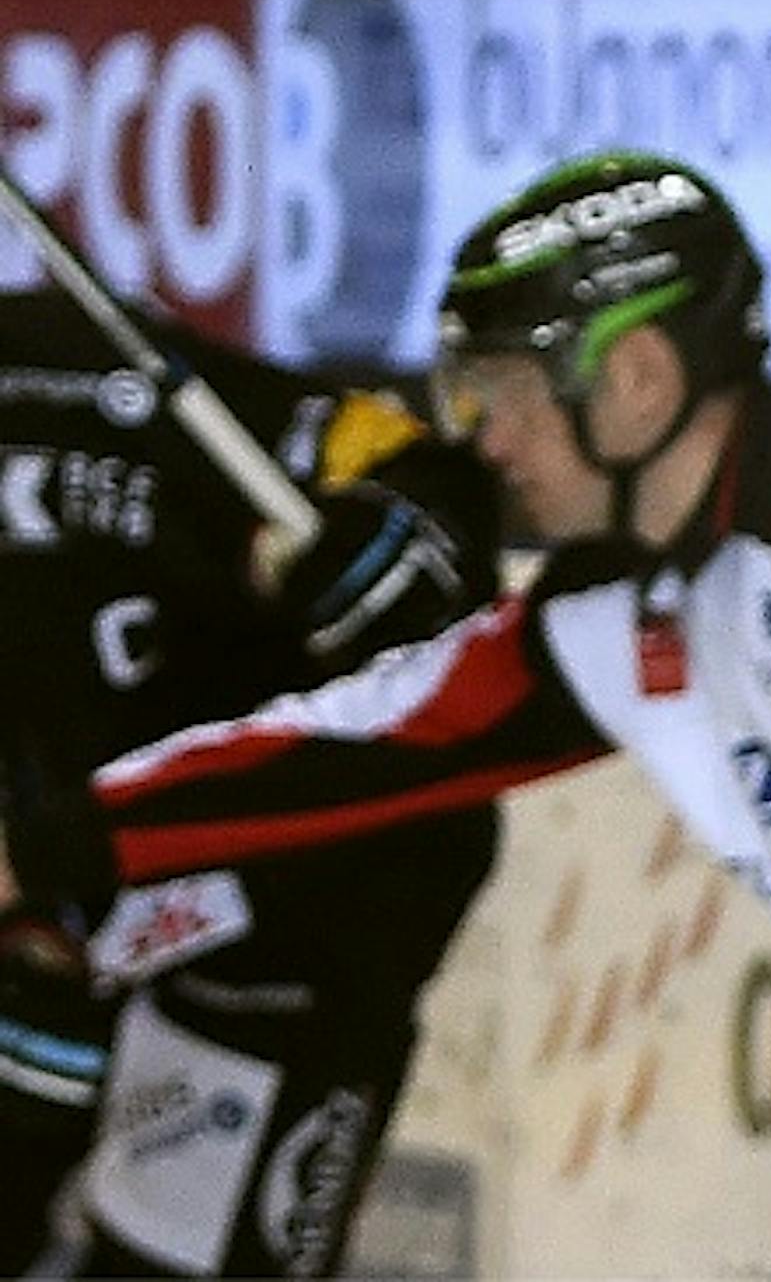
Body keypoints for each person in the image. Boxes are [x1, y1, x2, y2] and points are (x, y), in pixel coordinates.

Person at [1, 155, 771, 1277]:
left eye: (504, 389)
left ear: (638, 379)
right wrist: (54, 842)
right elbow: (366, 740)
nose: (481, 438)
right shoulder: (621, 607)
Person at [0, 281, 496, 1277]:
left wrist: (399, 546)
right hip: (56, 898)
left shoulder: (75, 371)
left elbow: (421, 483)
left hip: (285, 896)